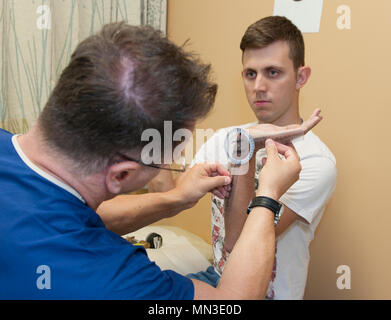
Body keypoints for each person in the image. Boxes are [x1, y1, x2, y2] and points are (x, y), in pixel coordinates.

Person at [0, 22, 301, 299]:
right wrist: (268, 196)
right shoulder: (114, 280)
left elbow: (70, 217)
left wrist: (174, 198)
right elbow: (231, 303)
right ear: (121, 176)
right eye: (164, 163)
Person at [148, 16, 338, 299]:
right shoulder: (224, 137)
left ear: (301, 77)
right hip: (218, 281)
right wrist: (158, 115)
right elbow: (166, 192)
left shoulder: (315, 161)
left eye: (273, 72)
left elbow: (237, 242)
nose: (258, 86)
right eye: (250, 74)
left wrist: (244, 151)